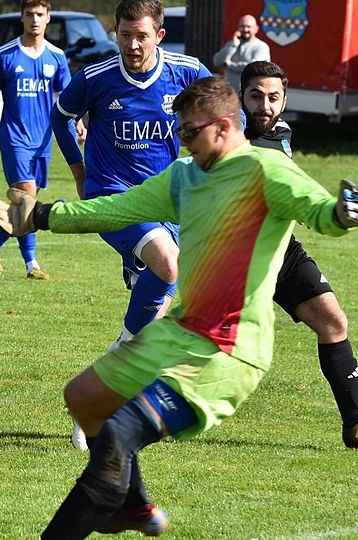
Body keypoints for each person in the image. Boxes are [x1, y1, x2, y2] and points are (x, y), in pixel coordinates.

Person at [0, 75, 358, 539]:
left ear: (224, 126)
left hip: (227, 351)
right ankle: (132, 508)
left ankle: (99, 508)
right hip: (178, 332)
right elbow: (117, 208)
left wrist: (341, 212)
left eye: (190, 132)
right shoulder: (185, 177)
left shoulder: (266, 170)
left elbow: (318, 210)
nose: (182, 140)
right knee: (84, 399)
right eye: (180, 131)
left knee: (117, 435)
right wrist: (41, 215)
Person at [51, 0, 211, 449]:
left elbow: (224, 116)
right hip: (113, 197)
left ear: (159, 35)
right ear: (115, 33)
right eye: (124, 35)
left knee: (152, 323)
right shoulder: (96, 78)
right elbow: (62, 117)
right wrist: (80, 173)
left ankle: (99, 398)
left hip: (166, 203)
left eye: (141, 36)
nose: (132, 44)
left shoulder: (186, 71)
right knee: (168, 265)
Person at [240, 60, 358, 448]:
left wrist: (332, 209)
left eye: (273, 97)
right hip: (234, 260)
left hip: (280, 250)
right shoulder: (229, 139)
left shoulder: (282, 133)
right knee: (214, 351)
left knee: (333, 321)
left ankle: (355, 421)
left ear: (285, 100)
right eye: (255, 96)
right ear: (241, 96)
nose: (264, 105)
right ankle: (127, 410)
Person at [0, 0, 73, 281]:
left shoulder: (57, 57)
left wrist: (80, 122)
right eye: (29, 14)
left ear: (48, 18)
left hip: (43, 140)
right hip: (14, 137)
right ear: (22, 17)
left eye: (40, 14)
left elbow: (68, 98)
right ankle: (32, 265)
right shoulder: (5, 54)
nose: (35, 20)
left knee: (26, 207)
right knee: (27, 199)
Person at [213, 14, 269, 91]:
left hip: (251, 95)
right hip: (230, 94)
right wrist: (233, 45)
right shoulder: (232, 44)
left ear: (256, 29)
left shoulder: (261, 47)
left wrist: (229, 65)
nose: (245, 29)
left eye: (249, 27)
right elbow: (216, 61)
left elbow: (255, 67)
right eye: (242, 26)